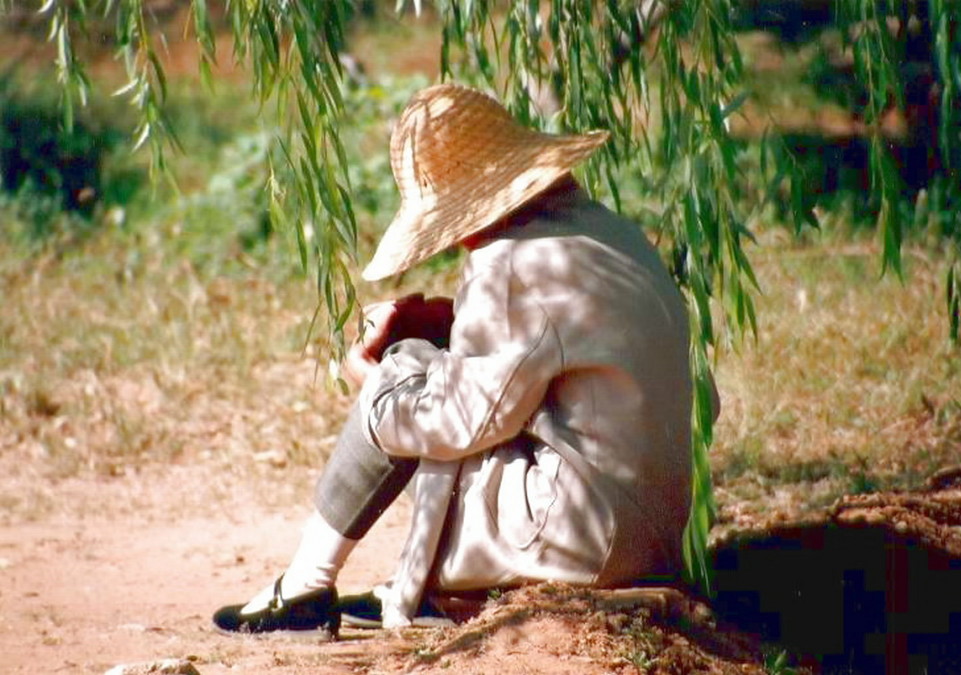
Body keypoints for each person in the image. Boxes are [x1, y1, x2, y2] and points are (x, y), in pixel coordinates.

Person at [212, 83, 710, 635]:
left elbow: (459, 421)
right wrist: (450, 324)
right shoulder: (606, 229)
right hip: (649, 535)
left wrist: (373, 383)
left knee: (405, 372)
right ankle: (384, 585)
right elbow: (552, 344)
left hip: (582, 541)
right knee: (429, 367)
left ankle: (306, 582)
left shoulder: (510, 261)